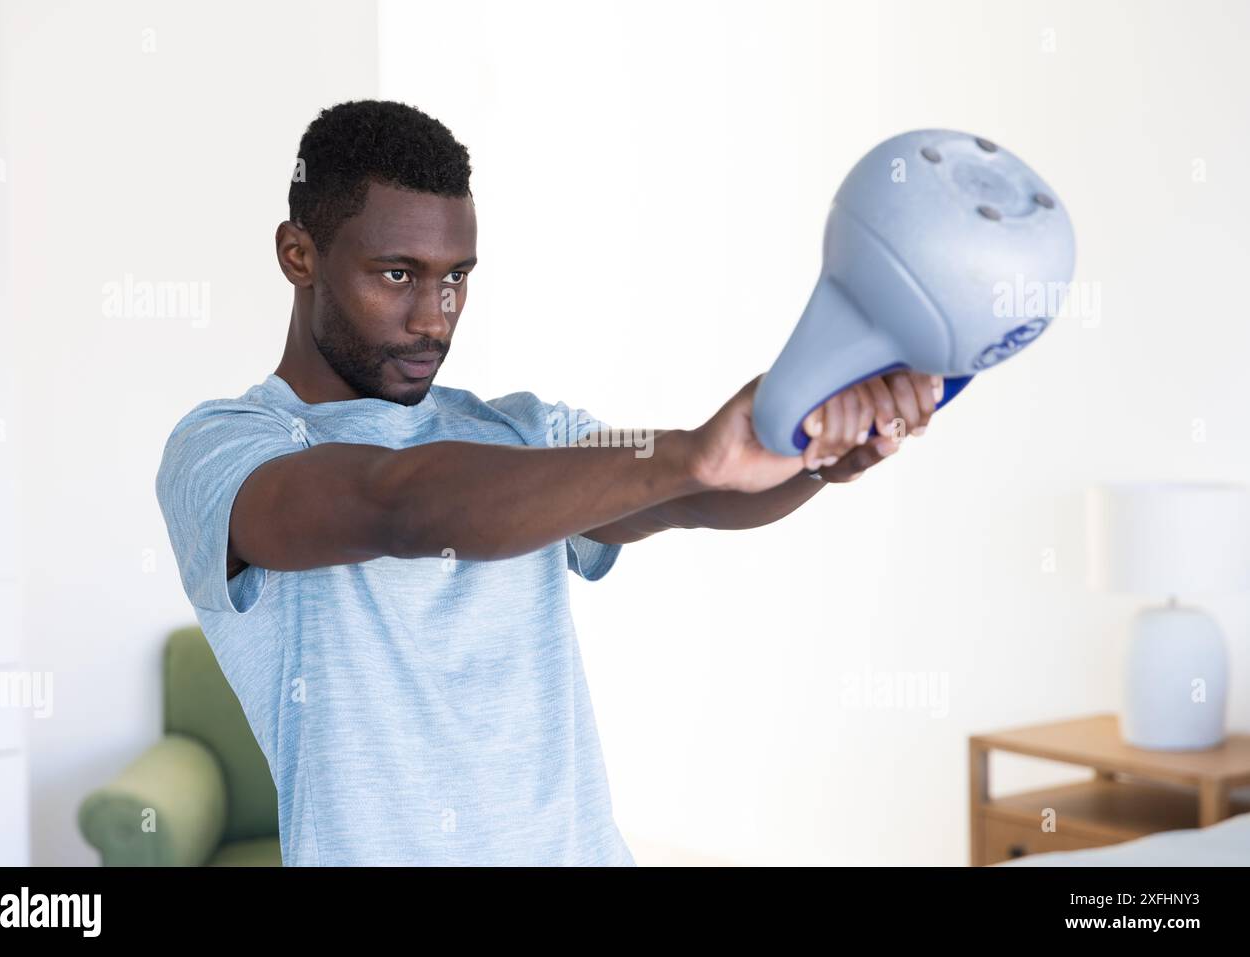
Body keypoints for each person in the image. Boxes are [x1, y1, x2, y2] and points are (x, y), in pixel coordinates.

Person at [155, 99, 940, 866]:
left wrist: (813, 446)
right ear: (298, 253)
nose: (435, 317)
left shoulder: (528, 432)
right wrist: (689, 453)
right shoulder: (225, 446)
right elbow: (397, 503)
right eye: (398, 274)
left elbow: (685, 486)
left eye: (457, 277)